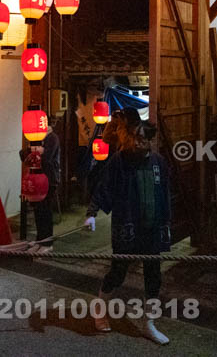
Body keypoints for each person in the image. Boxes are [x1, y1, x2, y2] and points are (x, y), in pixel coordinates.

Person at [84, 117, 171, 345]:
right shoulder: (119, 161)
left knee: (154, 276)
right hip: (127, 227)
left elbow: (165, 195)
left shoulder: (158, 162)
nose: (139, 142)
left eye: (143, 138)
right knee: (118, 272)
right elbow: (105, 187)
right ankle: (100, 309)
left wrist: (166, 224)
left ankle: (149, 323)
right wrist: (92, 213)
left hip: (152, 228)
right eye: (135, 137)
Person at [19, 117, 60, 250]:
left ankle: (47, 243)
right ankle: (40, 239)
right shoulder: (36, 138)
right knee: (38, 211)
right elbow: (24, 154)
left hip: (49, 179)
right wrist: (36, 151)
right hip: (35, 179)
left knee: (46, 211)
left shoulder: (52, 138)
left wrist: (36, 152)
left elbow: (47, 158)